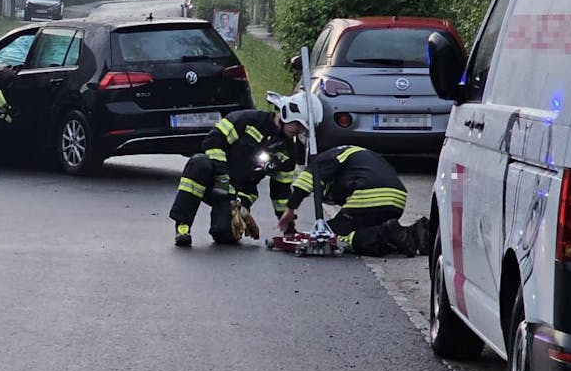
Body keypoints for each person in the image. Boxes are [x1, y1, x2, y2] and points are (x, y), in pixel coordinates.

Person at [169, 90, 310, 247]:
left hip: (239, 193)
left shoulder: (289, 152)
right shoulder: (246, 120)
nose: (298, 131)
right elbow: (213, 142)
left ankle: (224, 223)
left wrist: (289, 227)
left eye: (302, 128)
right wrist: (222, 176)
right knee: (199, 164)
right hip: (214, 179)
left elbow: (280, 193)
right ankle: (183, 227)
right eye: (297, 125)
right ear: (285, 114)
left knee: (224, 234)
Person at [277, 145, 429, 257]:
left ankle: (384, 234)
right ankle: (415, 234)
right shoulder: (355, 154)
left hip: (368, 195)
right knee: (363, 226)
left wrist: (290, 209)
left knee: (328, 236)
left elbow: (308, 179)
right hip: (397, 199)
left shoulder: (322, 160)